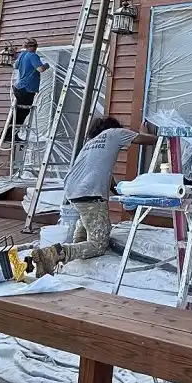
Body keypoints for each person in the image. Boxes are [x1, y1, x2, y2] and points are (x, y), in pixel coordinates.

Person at [33, 116, 156, 274]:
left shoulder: (91, 144)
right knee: (99, 244)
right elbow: (151, 140)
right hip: (89, 193)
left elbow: (105, 177)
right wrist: (144, 133)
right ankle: (54, 254)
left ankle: (75, 259)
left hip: (73, 189)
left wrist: (122, 194)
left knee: (88, 223)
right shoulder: (115, 133)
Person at [3, 38, 49, 142]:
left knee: (19, 112)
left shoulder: (23, 55)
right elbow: (40, 69)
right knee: (22, 113)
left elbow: (15, 66)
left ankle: (7, 135)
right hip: (26, 88)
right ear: (33, 47)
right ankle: (9, 135)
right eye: (35, 46)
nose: (36, 48)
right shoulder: (33, 56)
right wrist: (46, 65)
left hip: (19, 87)